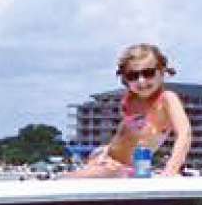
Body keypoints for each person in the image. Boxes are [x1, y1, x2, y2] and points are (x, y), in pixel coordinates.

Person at [67, 43, 192, 177]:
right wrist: (104, 152)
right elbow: (124, 135)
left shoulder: (167, 100)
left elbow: (185, 133)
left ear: (161, 72)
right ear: (125, 79)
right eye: (133, 76)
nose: (141, 81)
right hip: (105, 158)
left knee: (66, 181)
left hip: (124, 168)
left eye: (148, 73)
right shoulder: (130, 100)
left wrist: (171, 169)